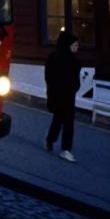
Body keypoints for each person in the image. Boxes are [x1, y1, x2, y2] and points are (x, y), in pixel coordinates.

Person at [45, 28, 81, 162]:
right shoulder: (74, 61)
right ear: (68, 45)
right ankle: (65, 150)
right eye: (75, 45)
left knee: (58, 120)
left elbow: (48, 77)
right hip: (67, 96)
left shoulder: (52, 57)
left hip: (55, 95)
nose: (77, 47)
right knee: (67, 123)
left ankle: (49, 141)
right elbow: (76, 83)